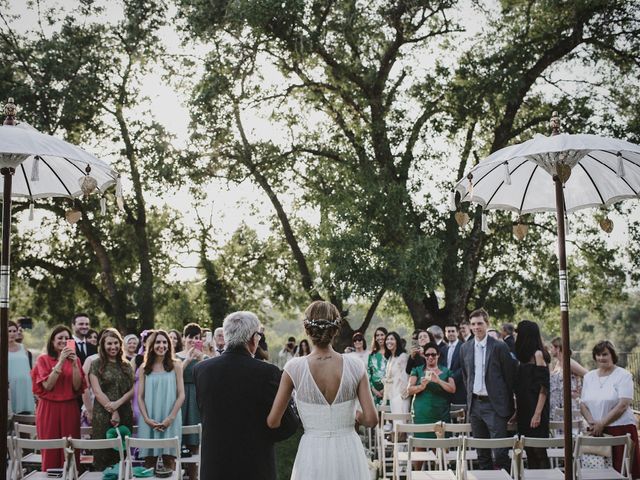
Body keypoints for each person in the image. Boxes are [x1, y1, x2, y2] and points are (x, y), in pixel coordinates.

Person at [268, 301, 377, 479]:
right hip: (348, 449)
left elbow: (273, 421)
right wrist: (356, 415)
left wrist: (305, 416)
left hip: (312, 450)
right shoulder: (355, 365)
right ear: (336, 329)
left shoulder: (294, 367)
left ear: (307, 329)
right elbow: (371, 420)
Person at [194, 311, 298, 480]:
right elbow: (287, 423)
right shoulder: (266, 372)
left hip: (214, 464)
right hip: (254, 464)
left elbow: (204, 411)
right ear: (253, 338)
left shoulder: (201, 370)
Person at [460, 308, 516, 471]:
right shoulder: (465, 348)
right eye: (473, 324)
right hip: (475, 406)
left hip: (494, 406)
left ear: (487, 324)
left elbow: (509, 377)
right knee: (481, 453)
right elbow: (466, 376)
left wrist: (507, 403)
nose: (476, 327)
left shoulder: (499, 346)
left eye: (480, 323)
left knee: (500, 452)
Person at [580, 340, 640, 479]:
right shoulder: (589, 377)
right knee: (597, 473)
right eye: (598, 355)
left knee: (621, 472)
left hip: (619, 428)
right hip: (596, 431)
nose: (601, 358)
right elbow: (583, 404)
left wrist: (602, 423)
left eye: (605, 354)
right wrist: (593, 423)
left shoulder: (623, 375)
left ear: (612, 355)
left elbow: (623, 405)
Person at [32, 325, 87, 471]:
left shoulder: (76, 360)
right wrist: (61, 361)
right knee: (51, 447)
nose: (64, 341)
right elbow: (48, 386)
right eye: (60, 338)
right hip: (48, 408)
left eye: (67, 338)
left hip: (69, 407)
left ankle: (70, 474)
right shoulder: (43, 359)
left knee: (70, 448)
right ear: (52, 341)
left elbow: (76, 387)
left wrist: (75, 364)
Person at [137, 330, 185, 470]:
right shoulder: (144, 368)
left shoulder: (176, 365)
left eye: (165, 342)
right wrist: (146, 419)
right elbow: (140, 396)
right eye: (158, 342)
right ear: (151, 345)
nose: (161, 345)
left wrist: (171, 418)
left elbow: (181, 394)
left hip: (170, 418)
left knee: (170, 463)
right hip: (149, 419)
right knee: (148, 465)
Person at [89, 328, 134, 471]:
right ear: (103, 345)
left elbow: (133, 389)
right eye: (109, 344)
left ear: (120, 345)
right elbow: (97, 391)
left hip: (125, 411)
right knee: (103, 453)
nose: (113, 347)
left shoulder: (126, 365)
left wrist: (118, 404)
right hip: (102, 414)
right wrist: (113, 410)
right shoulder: (96, 364)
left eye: (116, 343)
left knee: (121, 453)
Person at [407, 342, 455, 469]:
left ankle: (439, 475)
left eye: (433, 354)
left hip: (440, 414)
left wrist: (438, 380)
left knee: (439, 449)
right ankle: (416, 475)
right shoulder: (417, 370)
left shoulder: (446, 371)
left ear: (438, 355)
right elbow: (409, 390)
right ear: (424, 356)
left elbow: (452, 389)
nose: (430, 357)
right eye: (427, 354)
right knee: (420, 447)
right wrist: (421, 386)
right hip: (422, 414)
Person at [513, 320, 550, 469]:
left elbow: (544, 387)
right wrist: (517, 411)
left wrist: (537, 413)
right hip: (524, 409)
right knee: (528, 451)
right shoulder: (522, 357)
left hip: (536, 409)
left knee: (539, 450)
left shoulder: (538, 354)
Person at [176, 322, 207, 476]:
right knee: (178, 437)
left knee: (195, 438)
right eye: (190, 337)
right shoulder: (176, 357)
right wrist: (187, 360)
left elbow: (209, 377)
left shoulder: (205, 357)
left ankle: (194, 475)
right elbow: (175, 377)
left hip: (197, 397)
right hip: (181, 396)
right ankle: (179, 474)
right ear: (183, 338)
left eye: (197, 338)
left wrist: (201, 359)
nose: (193, 341)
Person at [549, 336, 587, 421]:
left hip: (569, 402)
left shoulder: (569, 362)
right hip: (557, 404)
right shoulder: (558, 363)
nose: (550, 350)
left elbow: (587, 375)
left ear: (558, 348)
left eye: (551, 347)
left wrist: (581, 391)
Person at [8, 320, 35, 414]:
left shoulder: (23, 347)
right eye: (9, 331)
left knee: (27, 416)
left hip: (26, 387)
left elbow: (29, 368)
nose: (12, 333)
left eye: (14, 331)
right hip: (11, 388)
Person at [383, 331, 410, 415]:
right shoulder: (390, 358)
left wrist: (403, 395)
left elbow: (405, 377)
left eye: (392, 339)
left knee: (400, 421)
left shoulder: (403, 356)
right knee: (394, 422)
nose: (389, 341)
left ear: (397, 341)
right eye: (387, 339)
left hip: (401, 395)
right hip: (392, 394)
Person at [444, 324, 466, 405]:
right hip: (445, 387)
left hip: (459, 386)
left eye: (453, 331)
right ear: (445, 334)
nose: (450, 333)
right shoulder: (443, 349)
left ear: (457, 333)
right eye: (448, 331)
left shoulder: (464, 346)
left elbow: (464, 367)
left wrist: (451, 378)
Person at [368, 327, 388, 406]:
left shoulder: (391, 353)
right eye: (377, 335)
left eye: (382, 335)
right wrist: (373, 390)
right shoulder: (372, 354)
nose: (380, 337)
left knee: (388, 416)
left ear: (386, 336)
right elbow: (369, 373)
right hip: (374, 392)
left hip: (389, 391)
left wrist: (385, 389)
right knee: (376, 416)